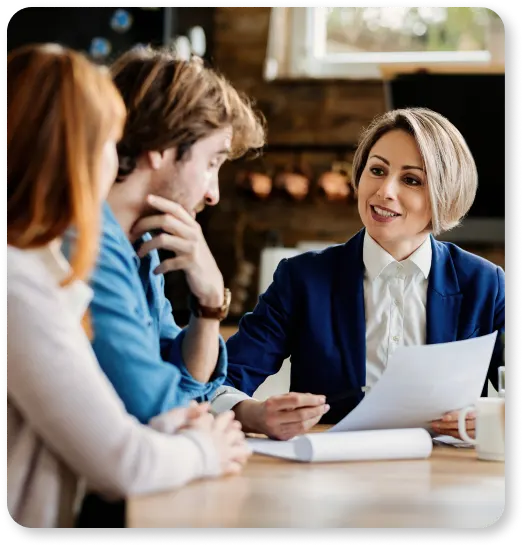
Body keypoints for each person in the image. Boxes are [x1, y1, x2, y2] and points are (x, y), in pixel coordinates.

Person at [7, 44, 250, 529]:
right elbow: (129, 446)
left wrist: (208, 308)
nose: (115, 157)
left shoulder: (109, 251)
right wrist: (201, 442)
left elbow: (172, 403)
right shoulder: (31, 274)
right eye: (107, 140)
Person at [212, 108, 505, 441]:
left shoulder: (486, 284)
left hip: (448, 477)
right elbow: (221, 379)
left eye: (411, 180)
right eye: (377, 170)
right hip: (331, 475)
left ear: (445, 193)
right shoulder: (302, 279)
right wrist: (253, 414)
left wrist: (495, 417)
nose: (384, 191)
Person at [74, 46, 266, 426]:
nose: (213, 194)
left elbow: (189, 388)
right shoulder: (87, 245)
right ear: (161, 147)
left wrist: (210, 302)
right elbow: (158, 408)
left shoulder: (141, 247)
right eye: (212, 163)